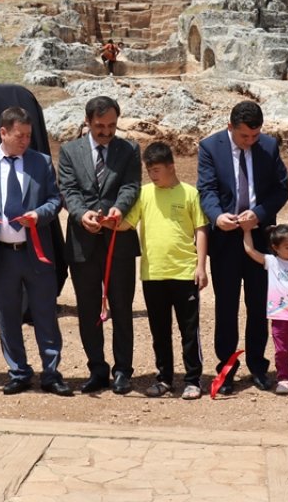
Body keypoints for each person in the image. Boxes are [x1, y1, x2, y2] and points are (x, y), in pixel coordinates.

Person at [0, 107, 70, 396]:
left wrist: (38, 215)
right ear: (3, 132)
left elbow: (54, 200)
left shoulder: (41, 162)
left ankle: (51, 372)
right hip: (0, 254)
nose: (25, 140)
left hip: (35, 253)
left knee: (45, 315)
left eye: (28, 135)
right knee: (8, 317)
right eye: (19, 135)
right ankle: (18, 372)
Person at [198, 101, 288, 394]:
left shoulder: (268, 146)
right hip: (225, 239)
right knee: (226, 306)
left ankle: (258, 367)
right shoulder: (210, 147)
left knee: (258, 304)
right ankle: (226, 369)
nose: (250, 142)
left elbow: (282, 189)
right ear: (230, 128)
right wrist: (217, 216)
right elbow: (207, 189)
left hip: (260, 237)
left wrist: (260, 213)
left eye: (254, 136)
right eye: (244, 137)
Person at [58, 96, 141, 394]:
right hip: (83, 240)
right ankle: (97, 368)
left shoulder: (130, 149)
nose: (106, 131)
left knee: (121, 307)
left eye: (111, 126)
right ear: (88, 121)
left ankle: (122, 370)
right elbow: (67, 189)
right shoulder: (69, 151)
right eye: (100, 126)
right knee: (89, 308)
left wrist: (119, 208)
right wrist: (82, 216)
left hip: (119, 238)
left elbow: (131, 184)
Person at [119, 142, 208, 400]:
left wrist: (201, 267)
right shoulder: (144, 193)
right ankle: (164, 378)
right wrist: (109, 221)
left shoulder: (190, 194)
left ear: (171, 166)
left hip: (184, 272)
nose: (152, 175)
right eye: (149, 170)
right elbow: (127, 223)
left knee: (189, 330)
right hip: (153, 274)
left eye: (157, 169)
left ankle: (193, 379)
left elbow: (201, 229)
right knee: (159, 330)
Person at [242, 222, 288, 397]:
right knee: (281, 350)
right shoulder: (272, 262)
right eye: (287, 247)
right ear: (275, 248)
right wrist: (247, 231)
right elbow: (250, 251)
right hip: (280, 317)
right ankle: (283, 378)